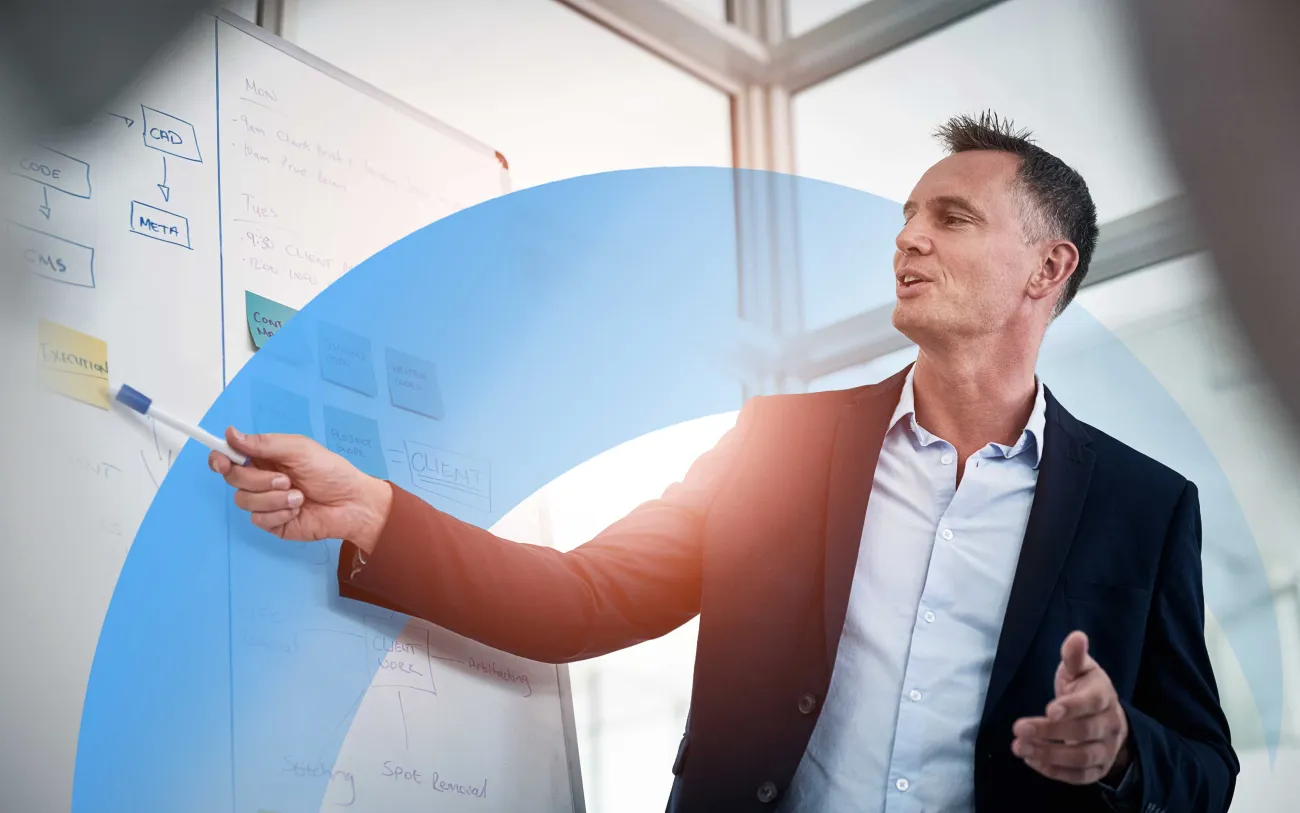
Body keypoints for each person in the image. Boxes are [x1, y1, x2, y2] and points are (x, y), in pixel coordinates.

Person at [210, 112, 1237, 813]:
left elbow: (1204, 767)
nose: (907, 241)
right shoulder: (782, 446)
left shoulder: (1144, 508)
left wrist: (1118, 756)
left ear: (1046, 270)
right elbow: (580, 600)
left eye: (950, 218)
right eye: (906, 218)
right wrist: (374, 514)